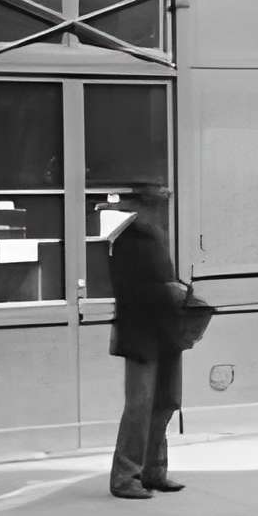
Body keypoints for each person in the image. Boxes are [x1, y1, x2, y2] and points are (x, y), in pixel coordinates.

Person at [107, 184, 191, 498]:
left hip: (166, 333)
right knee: (140, 407)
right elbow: (131, 292)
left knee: (166, 403)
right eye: (158, 202)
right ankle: (125, 478)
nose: (162, 208)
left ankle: (154, 472)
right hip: (142, 334)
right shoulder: (128, 241)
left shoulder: (156, 238)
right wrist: (170, 292)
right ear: (144, 206)